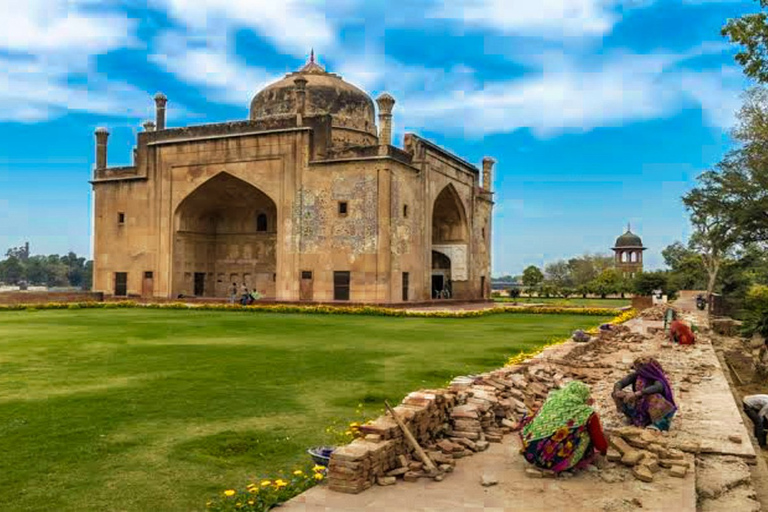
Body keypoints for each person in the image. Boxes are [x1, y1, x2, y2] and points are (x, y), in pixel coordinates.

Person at [520, 381, 608, 474]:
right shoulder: (585, 412)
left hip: (530, 454)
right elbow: (599, 441)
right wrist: (604, 450)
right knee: (585, 431)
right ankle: (569, 460)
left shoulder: (552, 400)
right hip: (553, 462)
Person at [613, 357, 677, 431]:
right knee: (618, 395)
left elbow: (658, 387)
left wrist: (638, 393)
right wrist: (617, 391)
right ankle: (632, 417)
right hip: (640, 404)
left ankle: (659, 424)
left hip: (654, 408)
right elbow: (620, 383)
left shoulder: (657, 378)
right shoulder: (636, 375)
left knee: (654, 397)